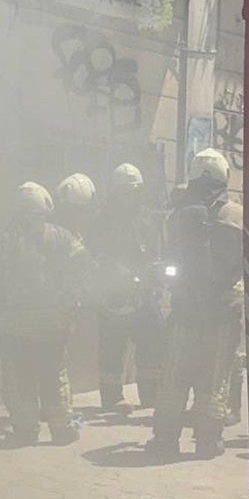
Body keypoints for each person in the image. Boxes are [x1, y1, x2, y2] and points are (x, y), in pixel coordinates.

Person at [149, 148, 243, 459]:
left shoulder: (177, 217)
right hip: (222, 315)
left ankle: (165, 441)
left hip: (185, 312)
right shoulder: (238, 216)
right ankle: (208, 442)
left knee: (173, 379)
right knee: (213, 380)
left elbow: (167, 260)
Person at [0, 182, 87, 445]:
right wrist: (71, 300)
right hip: (53, 321)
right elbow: (84, 267)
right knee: (54, 374)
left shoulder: (4, 241)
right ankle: (62, 428)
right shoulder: (63, 237)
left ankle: (25, 430)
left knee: (21, 375)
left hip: (15, 324)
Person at [87, 163, 165, 412]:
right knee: (112, 346)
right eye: (126, 190)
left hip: (144, 292)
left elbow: (154, 250)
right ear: (116, 191)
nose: (131, 195)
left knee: (152, 341)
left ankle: (151, 394)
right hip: (115, 294)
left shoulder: (147, 217)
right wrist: (115, 272)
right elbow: (94, 255)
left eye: (135, 190)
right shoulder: (102, 219)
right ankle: (112, 398)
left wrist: (157, 271)